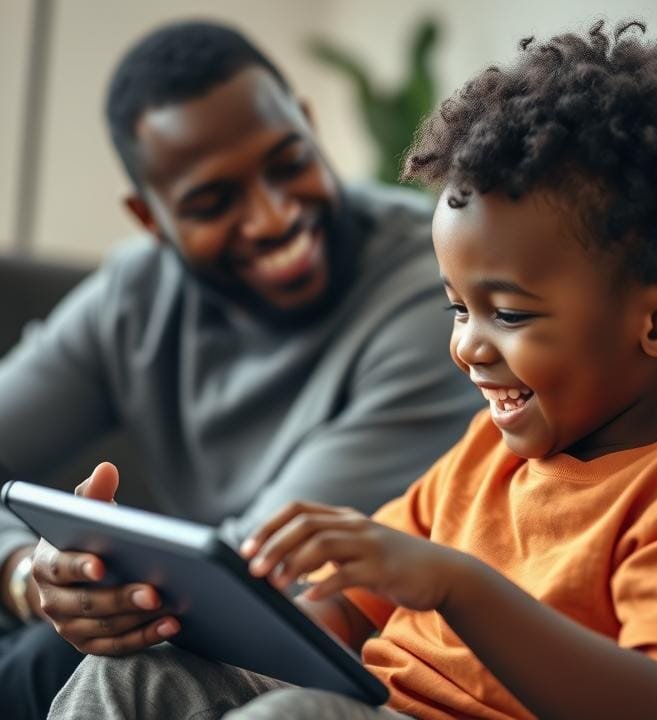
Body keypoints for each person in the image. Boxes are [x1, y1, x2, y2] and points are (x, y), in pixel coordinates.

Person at [47, 19, 657, 720]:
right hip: (374, 705)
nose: (467, 347)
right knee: (136, 676)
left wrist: (459, 587)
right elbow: (339, 605)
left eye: (510, 315)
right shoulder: (482, 455)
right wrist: (188, 598)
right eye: (459, 308)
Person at [0, 19, 481, 720]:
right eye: (212, 202)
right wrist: (25, 577)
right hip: (166, 634)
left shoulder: (436, 292)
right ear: (150, 218)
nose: (273, 217)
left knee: (79, 653)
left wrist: (91, 591)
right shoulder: (134, 295)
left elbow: (261, 580)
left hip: (307, 659)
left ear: (309, 126)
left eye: (288, 163)